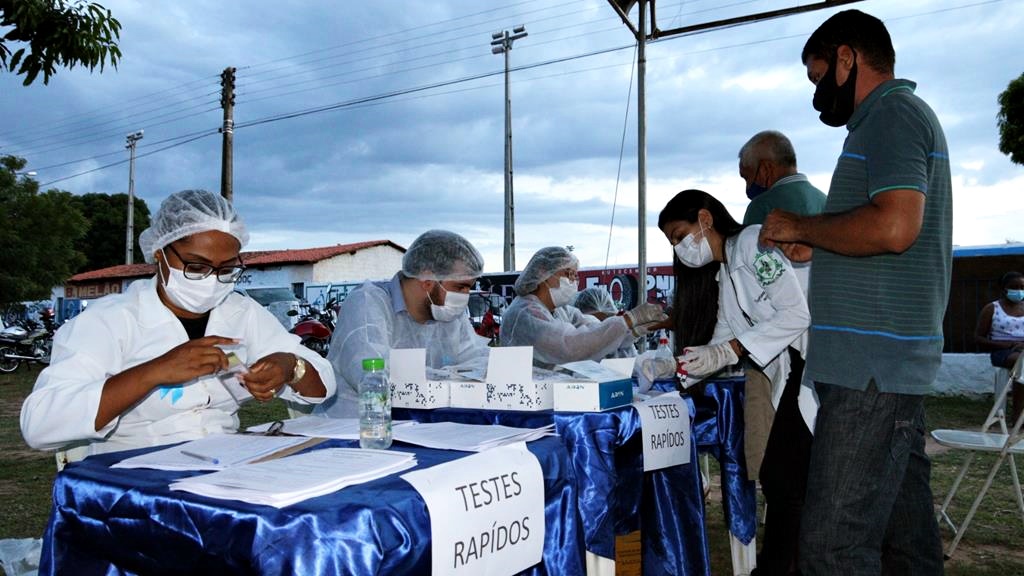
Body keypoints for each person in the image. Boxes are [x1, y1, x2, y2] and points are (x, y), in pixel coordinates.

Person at [758, 10, 951, 574]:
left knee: (833, 548)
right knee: (905, 543)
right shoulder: (885, 122)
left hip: (871, 371)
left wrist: (801, 226)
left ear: (847, 59)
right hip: (883, 368)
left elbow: (894, 227)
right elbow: (883, 233)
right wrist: (820, 246)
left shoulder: (892, 115)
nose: (819, 94)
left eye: (820, 77)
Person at [20, 189, 335, 460]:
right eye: (196, 265)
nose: (212, 280)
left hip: (226, 465)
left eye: (226, 269)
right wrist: (153, 373)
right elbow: (40, 425)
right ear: (160, 253)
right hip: (132, 476)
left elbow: (323, 387)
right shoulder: (108, 321)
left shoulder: (241, 313)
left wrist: (290, 366)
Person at [659, 189, 814, 576]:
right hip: (792, 370)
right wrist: (684, 366)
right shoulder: (726, 271)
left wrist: (727, 351)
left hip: (814, 364)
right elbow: (724, 334)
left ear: (705, 219)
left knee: (782, 477)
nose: (680, 248)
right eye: (673, 243)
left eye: (680, 235)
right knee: (785, 481)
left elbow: (797, 314)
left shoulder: (751, 244)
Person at [316, 230, 488, 417]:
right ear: (427, 279)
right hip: (353, 429)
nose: (464, 296)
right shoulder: (367, 302)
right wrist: (453, 379)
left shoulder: (447, 313)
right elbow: (371, 374)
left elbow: (478, 360)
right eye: (460, 287)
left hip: (422, 427)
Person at [500, 246, 665, 367]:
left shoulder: (562, 311)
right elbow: (571, 346)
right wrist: (630, 320)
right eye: (569, 274)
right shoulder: (525, 314)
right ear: (544, 273)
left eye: (576, 276)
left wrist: (634, 331)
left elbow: (595, 333)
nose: (574, 282)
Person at [739, 130, 827, 227]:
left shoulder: (761, 206)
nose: (747, 188)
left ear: (765, 169)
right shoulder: (826, 202)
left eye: (747, 178)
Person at [975, 270, 1024, 421]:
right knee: (1022, 363)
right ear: (1004, 289)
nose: (1019, 291)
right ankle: (1018, 416)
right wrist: (1008, 344)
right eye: (1014, 287)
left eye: (1022, 287)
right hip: (1002, 352)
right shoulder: (992, 309)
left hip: (1022, 350)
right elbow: (978, 338)